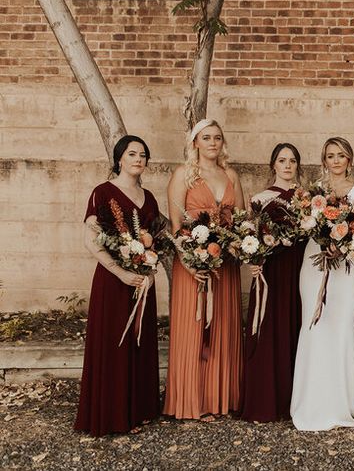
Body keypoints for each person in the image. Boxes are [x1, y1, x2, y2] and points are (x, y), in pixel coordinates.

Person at [75, 135, 161, 436]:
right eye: (132, 154)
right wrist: (119, 272)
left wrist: (149, 271)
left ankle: (137, 410)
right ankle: (111, 414)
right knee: (114, 342)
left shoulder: (149, 198)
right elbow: (91, 239)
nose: (138, 159)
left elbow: (155, 239)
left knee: (139, 342)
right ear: (119, 159)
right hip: (113, 282)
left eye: (143, 155)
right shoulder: (103, 192)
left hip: (142, 282)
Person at [163, 119, 246, 420]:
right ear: (195, 142)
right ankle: (191, 401)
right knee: (195, 328)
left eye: (218, 138)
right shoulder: (183, 175)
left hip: (225, 266)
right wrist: (190, 260)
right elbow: (175, 227)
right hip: (193, 266)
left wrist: (236, 246)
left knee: (222, 327)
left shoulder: (231, 175)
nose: (213, 143)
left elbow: (241, 221)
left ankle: (219, 399)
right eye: (206, 137)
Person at [290, 137, 354, 431]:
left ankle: (343, 402)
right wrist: (323, 239)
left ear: (349, 160)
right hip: (314, 262)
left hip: (345, 266)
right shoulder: (312, 194)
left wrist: (342, 245)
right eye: (330, 155)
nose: (335, 161)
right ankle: (312, 400)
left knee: (342, 326)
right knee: (315, 326)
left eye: (341, 155)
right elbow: (305, 226)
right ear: (323, 160)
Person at [239, 143, 307, 422]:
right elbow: (248, 237)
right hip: (269, 272)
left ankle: (295, 400)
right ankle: (265, 399)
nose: (287, 165)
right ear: (273, 165)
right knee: (268, 328)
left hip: (299, 270)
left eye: (292, 160)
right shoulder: (260, 198)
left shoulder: (307, 199)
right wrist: (251, 259)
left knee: (296, 326)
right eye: (282, 160)